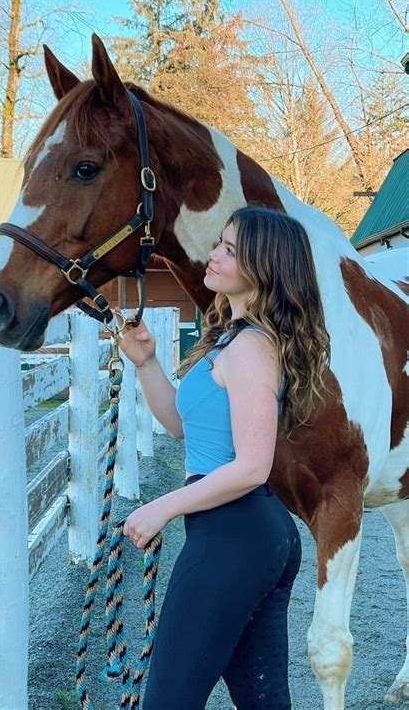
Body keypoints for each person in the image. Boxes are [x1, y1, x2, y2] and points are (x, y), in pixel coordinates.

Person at [114, 205, 331, 709]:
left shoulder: (251, 348)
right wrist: (146, 363)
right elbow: (183, 427)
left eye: (229, 250)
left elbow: (253, 465)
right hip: (247, 534)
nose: (213, 255)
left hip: (235, 535)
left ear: (262, 268)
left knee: (168, 701)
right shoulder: (233, 339)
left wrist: (163, 506)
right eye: (219, 243)